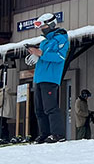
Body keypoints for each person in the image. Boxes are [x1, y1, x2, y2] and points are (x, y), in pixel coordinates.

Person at [28, 13, 69, 142]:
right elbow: (42, 56)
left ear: (51, 24)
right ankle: (45, 133)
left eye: (43, 25)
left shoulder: (61, 39)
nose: (41, 29)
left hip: (50, 78)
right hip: (39, 77)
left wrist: (41, 53)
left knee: (50, 107)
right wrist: (33, 56)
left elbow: (60, 57)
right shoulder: (44, 42)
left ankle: (58, 134)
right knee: (39, 109)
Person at [0, 77, 14, 144]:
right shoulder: (8, 93)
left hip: (2, 113)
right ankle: (5, 137)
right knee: (3, 124)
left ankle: (4, 136)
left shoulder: (3, 93)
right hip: (7, 112)